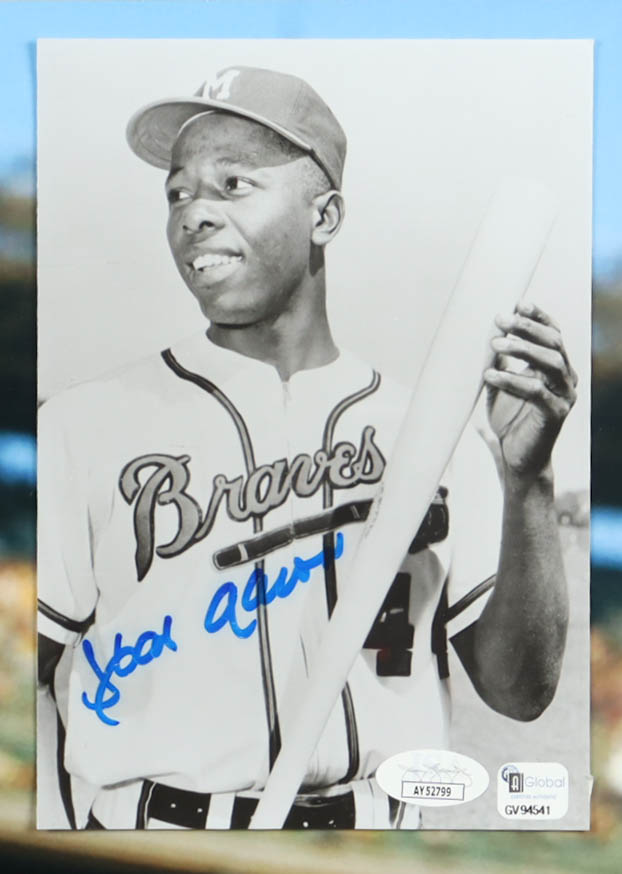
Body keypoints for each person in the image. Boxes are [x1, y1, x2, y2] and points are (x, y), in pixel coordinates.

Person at [37, 66, 577, 831]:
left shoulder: (434, 428)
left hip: (377, 835)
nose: (192, 213)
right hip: (159, 832)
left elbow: (521, 693)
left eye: (233, 183)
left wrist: (529, 481)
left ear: (324, 216)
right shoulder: (81, 424)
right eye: (177, 193)